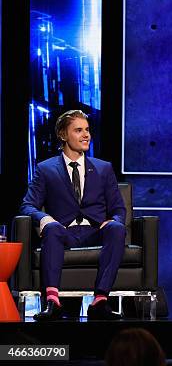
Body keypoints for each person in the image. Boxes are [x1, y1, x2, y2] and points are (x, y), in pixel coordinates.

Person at [20, 109, 127, 321]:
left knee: (117, 228)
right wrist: (44, 218)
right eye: (78, 130)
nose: (86, 135)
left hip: (95, 231)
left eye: (87, 130)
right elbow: (27, 205)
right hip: (64, 233)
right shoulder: (46, 169)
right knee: (50, 229)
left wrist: (113, 221)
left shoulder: (104, 168)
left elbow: (119, 209)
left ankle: (100, 301)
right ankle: (52, 301)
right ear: (63, 135)